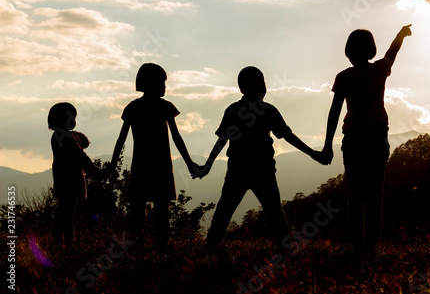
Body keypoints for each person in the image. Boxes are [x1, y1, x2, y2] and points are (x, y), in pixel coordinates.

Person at [198, 66, 324, 253]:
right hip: (262, 169)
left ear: (241, 88)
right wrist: (313, 153)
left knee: (225, 211)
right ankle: (284, 249)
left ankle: (210, 248)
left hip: (238, 169)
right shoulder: (268, 110)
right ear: (262, 87)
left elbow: (221, 140)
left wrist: (207, 166)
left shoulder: (234, 110)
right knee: (274, 213)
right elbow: (287, 136)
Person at [321, 25, 412, 263]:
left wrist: (328, 144)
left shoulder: (344, 77)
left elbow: (334, 112)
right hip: (378, 138)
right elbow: (392, 53)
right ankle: (371, 247)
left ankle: (357, 247)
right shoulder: (380, 69)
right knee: (375, 195)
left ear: (348, 52)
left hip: (353, 139)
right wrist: (400, 35)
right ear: (371, 49)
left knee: (355, 196)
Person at [110, 63, 199, 248]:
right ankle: (160, 247)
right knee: (161, 212)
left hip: (142, 166)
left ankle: (137, 246)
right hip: (161, 167)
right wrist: (190, 164)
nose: (165, 86)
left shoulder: (134, 107)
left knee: (139, 212)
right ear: (152, 83)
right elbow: (176, 138)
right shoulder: (164, 107)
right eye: (162, 82)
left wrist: (112, 166)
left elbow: (121, 139)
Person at [48, 102, 104, 246]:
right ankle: (67, 245)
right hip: (71, 182)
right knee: (68, 216)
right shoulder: (67, 138)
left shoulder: (59, 136)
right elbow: (80, 155)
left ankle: (59, 244)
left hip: (61, 181)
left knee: (64, 214)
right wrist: (97, 172)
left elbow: (82, 144)